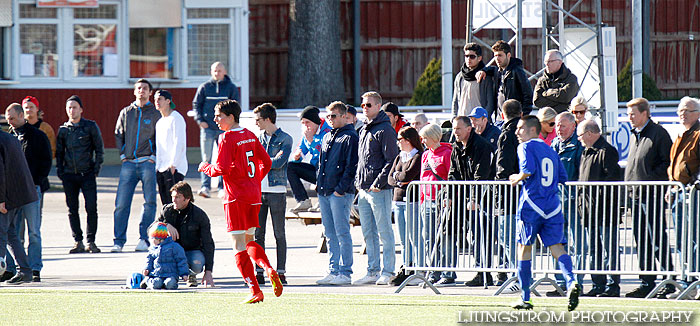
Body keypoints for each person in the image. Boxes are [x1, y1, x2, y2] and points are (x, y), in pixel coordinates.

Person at [198, 99, 282, 304]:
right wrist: (253, 181)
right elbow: (267, 162)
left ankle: (255, 290)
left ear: (231, 117)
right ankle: (269, 268)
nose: (215, 119)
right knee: (250, 240)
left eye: (219, 115)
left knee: (238, 246)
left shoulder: (227, 138)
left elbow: (222, 169)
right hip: (253, 196)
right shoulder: (250, 135)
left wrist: (205, 167)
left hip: (235, 197)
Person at [508, 115, 580, 311]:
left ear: (532, 130)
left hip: (532, 203)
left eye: (520, 128)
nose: (517, 132)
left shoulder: (525, 146)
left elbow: (528, 169)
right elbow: (563, 178)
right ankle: (571, 281)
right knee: (557, 248)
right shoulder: (551, 150)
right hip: (553, 205)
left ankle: (526, 298)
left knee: (524, 248)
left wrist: (516, 178)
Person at [624, 97, 675, 298]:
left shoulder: (658, 134)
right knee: (642, 240)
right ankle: (647, 281)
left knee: (657, 239)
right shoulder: (636, 135)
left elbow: (666, 163)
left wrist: (647, 181)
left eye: (633, 114)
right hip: (636, 197)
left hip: (651, 195)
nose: (630, 118)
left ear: (644, 113)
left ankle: (668, 281)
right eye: (628, 114)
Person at [354, 91, 399, 285]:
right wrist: (359, 183)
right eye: (363, 105)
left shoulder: (385, 130)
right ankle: (372, 270)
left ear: (378, 106)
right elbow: (361, 160)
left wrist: (378, 184)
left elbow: (391, 160)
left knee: (384, 231)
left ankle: (388, 271)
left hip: (378, 189)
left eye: (369, 105)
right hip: (363, 188)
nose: (365, 108)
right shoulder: (364, 128)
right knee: (368, 232)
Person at [112, 78, 161, 253]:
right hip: (129, 164)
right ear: (134, 91)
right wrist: (123, 154)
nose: (141, 90)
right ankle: (118, 241)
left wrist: (154, 156)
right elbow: (119, 133)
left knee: (149, 202)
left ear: (150, 93)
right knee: (121, 203)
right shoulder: (126, 112)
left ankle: (144, 239)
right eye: (138, 88)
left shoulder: (155, 113)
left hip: (147, 162)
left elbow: (160, 136)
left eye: (145, 88)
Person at [4, 103, 50, 282]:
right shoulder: (8, 137)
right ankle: (17, 269)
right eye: (8, 119)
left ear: (22, 116)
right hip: (14, 193)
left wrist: (35, 182)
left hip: (32, 190)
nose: (10, 122)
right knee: (14, 233)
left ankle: (35, 268)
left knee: (34, 232)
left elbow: (46, 161)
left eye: (13, 118)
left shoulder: (37, 136)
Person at [576, 119, 622, 297]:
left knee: (609, 249)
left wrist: (599, 202)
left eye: (580, 135)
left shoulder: (607, 151)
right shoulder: (586, 152)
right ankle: (598, 284)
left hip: (605, 211)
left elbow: (612, 182)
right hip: (589, 211)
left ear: (589, 133)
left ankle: (612, 285)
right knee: (594, 250)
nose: (579, 138)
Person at [315, 101, 359, 286]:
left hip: (339, 192)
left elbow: (351, 166)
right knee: (329, 232)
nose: (330, 120)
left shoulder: (350, 137)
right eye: (328, 116)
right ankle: (333, 270)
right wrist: (319, 186)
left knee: (342, 232)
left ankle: (345, 271)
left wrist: (341, 189)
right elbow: (321, 164)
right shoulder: (327, 137)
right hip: (325, 190)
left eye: (334, 116)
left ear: (343, 116)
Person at [448, 116, 493, 287]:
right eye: (454, 129)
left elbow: (481, 175)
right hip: (465, 199)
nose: (455, 132)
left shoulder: (481, 145)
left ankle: (486, 272)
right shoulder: (456, 146)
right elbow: (453, 173)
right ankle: (480, 271)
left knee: (482, 235)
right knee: (472, 236)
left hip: (483, 199)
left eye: (458, 129)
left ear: (469, 129)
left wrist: (475, 198)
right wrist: (449, 196)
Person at [56, 95, 104, 254]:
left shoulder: (90, 126)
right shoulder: (63, 130)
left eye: (74, 107)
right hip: (69, 175)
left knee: (91, 207)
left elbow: (99, 149)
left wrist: (95, 169)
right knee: (72, 209)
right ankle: (78, 241)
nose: (72, 110)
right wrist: (61, 172)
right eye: (69, 107)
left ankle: (91, 241)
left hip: (87, 174)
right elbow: (60, 152)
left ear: (81, 110)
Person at [253, 103, 292, 285]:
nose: (256, 123)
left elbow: (278, 163)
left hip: (276, 190)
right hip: (258, 191)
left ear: (268, 119)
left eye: (258, 120)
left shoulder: (285, 138)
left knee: (279, 233)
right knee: (258, 234)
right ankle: (259, 270)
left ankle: (281, 271)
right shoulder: (256, 138)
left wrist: (262, 162)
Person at [547, 112, 585, 296]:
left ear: (572, 126)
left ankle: (576, 282)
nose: (558, 129)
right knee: (558, 243)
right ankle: (561, 282)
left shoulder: (578, 145)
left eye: (562, 125)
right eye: (556, 126)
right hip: (556, 202)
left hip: (573, 202)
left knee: (577, 244)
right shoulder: (554, 144)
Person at [666, 96, 700, 297]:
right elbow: (674, 165)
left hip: (693, 194)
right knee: (681, 240)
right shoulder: (680, 134)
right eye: (680, 110)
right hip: (678, 193)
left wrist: (693, 186)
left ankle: (695, 281)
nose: (682, 113)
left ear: (697, 113)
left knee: (695, 239)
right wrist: (671, 187)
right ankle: (686, 281)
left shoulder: (698, 134)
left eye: (687, 110)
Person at [193, 62, 240, 199]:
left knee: (223, 159)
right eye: (214, 70)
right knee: (206, 159)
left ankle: (222, 187)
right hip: (208, 128)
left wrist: (231, 125)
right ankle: (205, 187)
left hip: (224, 130)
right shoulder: (205, 87)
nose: (217, 73)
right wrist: (200, 120)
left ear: (224, 71)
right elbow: (197, 105)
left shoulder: (231, 87)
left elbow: (235, 106)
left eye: (219, 70)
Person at [156, 181, 215, 287]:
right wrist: (165, 225)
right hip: (171, 252)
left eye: (178, 197)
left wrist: (209, 271)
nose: (174, 200)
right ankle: (163, 275)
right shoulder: (167, 210)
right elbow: (151, 230)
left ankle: (190, 275)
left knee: (197, 262)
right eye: (173, 196)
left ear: (187, 198)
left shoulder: (199, 216)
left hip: (191, 252)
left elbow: (208, 243)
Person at [0, 127, 37, 285]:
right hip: (19, 194)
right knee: (11, 233)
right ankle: (25, 271)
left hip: (7, 196)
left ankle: (2, 266)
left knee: (1, 233)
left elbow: (0, 173)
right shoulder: (9, 138)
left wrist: (1, 199)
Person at [418, 123, 453, 286]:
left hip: (441, 202)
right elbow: (422, 176)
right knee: (429, 237)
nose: (423, 141)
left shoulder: (447, 153)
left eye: (425, 137)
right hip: (427, 201)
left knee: (444, 237)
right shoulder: (425, 155)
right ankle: (433, 270)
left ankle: (448, 272)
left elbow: (451, 177)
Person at [388, 126, 423, 286]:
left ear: (408, 140)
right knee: (403, 239)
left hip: (412, 201)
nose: (398, 143)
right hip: (399, 201)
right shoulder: (400, 157)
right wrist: (399, 178)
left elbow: (408, 175)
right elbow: (391, 178)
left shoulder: (417, 156)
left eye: (400, 140)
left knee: (414, 237)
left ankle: (419, 269)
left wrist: (399, 177)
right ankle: (407, 266)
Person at [494, 99, 522, 288]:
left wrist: (500, 186)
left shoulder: (506, 134)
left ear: (503, 115)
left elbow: (503, 164)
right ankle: (519, 274)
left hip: (509, 191)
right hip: (521, 188)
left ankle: (518, 276)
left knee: (507, 236)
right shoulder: (523, 132)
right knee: (517, 236)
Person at [287, 106, 332, 213]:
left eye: (307, 122)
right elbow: (300, 150)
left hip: (328, 170)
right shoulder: (307, 133)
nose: (305, 126)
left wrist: (312, 141)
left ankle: (323, 201)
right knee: (290, 166)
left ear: (315, 122)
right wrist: (297, 156)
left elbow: (325, 153)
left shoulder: (327, 130)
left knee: (322, 170)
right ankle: (303, 200)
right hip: (315, 169)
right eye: (303, 123)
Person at [154, 90, 188, 205]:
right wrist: (158, 166)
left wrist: (173, 164)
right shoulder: (159, 122)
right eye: (155, 99)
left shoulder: (176, 118)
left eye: (160, 99)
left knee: (175, 203)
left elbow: (179, 142)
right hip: (162, 168)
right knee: (165, 203)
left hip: (174, 167)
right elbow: (159, 146)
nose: (157, 102)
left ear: (168, 101)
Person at [490, 40, 534, 118]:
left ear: (508, 55)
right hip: (500, 118)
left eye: (500, 55)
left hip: (513, 118)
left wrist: (522, 116)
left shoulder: (517, 71)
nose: (497, 58)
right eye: (495, 56)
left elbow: (528, 94)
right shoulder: (498, 72)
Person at [452, 43, 496, 119]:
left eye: (472, 56)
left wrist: (484, 119)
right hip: (462, 121)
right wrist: (454, 117)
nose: (468, 59)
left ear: (479, 58)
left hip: (479, 121)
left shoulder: (485, 76)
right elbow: (455, 100)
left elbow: (490, 103)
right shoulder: (460, 76)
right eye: (466, 56)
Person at [142, 222, 189, 290]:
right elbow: (149, 260)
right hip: (157, 274)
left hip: (171, 274)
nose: (151, 241)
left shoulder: (174, 247)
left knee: (170, 284)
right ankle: (147, 281)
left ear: (160, 239)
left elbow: (181, 260)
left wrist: (184, 274)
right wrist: (147, 269)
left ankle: (165, 285)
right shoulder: (153, 248)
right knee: (156, 284)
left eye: (153, 239)